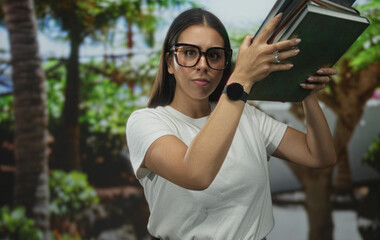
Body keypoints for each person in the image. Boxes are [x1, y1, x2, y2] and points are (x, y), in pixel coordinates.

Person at [126, 7, 337, 240]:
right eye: (189, 53)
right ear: (169, 62)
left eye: (214, 55)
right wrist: (241, 79)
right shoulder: (145, 122)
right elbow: (196, 174)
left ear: (225, 63)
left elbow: (320, 156)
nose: (202, 65)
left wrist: (304, 90)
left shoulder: (245, 115)